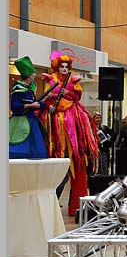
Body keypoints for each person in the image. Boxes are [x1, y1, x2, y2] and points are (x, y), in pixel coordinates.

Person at [38, 50, 99, 216]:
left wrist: (69, 93)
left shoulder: (74, 80)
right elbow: (46, 98)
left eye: (66, 66)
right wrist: (49, 102)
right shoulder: (51, 79)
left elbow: (76, 97)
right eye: (62, 66)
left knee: (77, 163)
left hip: (72, 117)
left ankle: (76, 207)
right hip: (55, 119)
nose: (64, 69)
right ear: (57, 67)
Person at [9, 56, 49, 159]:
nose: (34, 75)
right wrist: (31, 105)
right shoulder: (18, 89)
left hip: (32, 122)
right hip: (20, 123)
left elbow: (35, 105)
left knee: (37, 151)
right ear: (28, 75)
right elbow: (14, 107)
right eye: (33, 73)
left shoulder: (29, 88)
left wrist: (44, 101)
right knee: (19, 151)